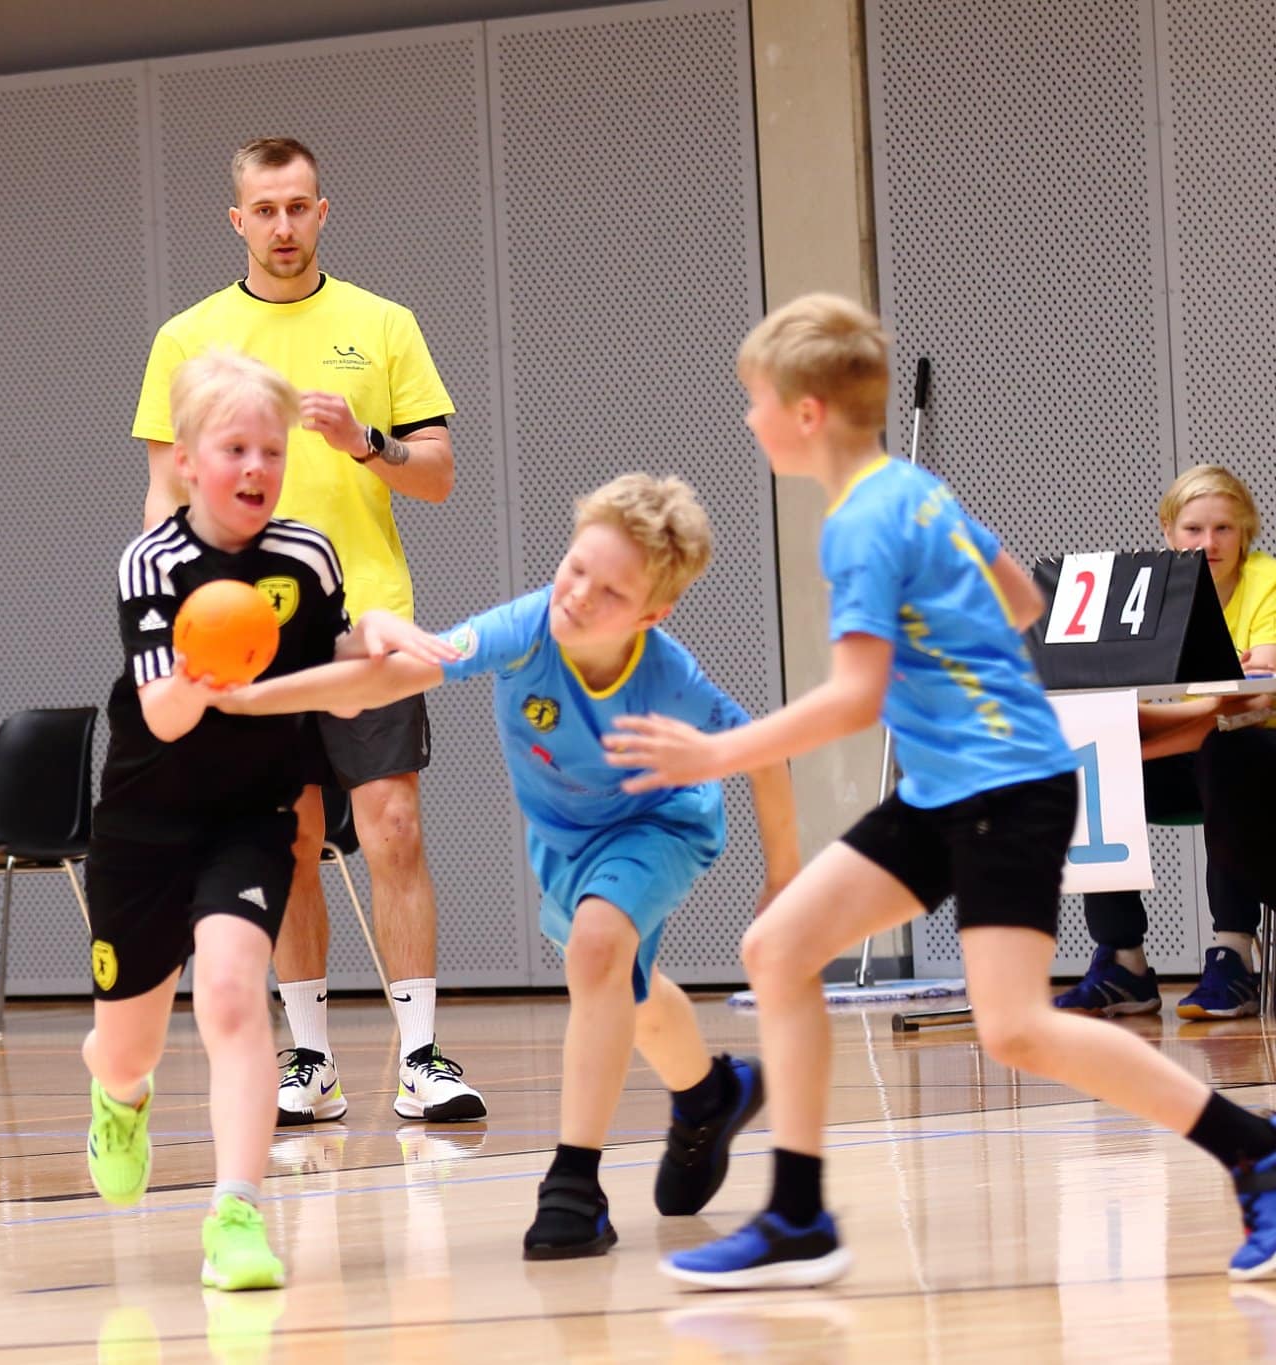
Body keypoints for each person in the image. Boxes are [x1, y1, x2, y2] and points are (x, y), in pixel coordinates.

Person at [607, 292, 1276, 1290]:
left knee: (1014, 1028)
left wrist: (715, 753)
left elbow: (853, 697)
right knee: (778, 948)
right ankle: (797, 1216)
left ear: (805, 412)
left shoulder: (860, 524)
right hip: (953, 782)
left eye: (755, 400)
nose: (747, 418)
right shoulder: (916, 489)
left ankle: (1255, 1153)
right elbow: (1021, 598)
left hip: (1003, 785)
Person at [216, 473, 799, 1259]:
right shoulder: (526, 628)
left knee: (597, 949)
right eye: (576, 567)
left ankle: (574, 1186)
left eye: (610, 592)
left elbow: (764, 748)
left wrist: (782, 876)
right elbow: (391, 676)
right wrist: (250, 700)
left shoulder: (667, 676)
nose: (579, 595)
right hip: (567, 843)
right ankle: (708, 1094)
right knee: (624, 988)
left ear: (652, 614)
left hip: (659, 822)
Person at [132, 137, 483, 1123]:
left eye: (298, 207)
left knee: (394, 827)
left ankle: (421, 1057)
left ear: (321, 211)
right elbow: (163, 495)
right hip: (247, 636)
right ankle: (311, 1064)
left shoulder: (383, 324)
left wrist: (364, 443)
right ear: (237, 219)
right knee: (288, 840)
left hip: (366, 622)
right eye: (265, 209)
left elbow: (438, 476)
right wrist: (172, 617)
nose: (282, 226)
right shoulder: (186, 339)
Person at [82, 349, 450, 1289]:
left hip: (252, 814)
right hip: (144, 825)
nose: (257, 468)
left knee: (234, 993)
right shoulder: (153, 561)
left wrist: (375, 640)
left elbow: (335, 666)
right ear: (187, 463)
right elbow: (164, 713)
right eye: (235, 450)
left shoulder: (306, 554)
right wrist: (213, 670)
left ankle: (237, 1214)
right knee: (126, 1043)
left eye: (272, 451)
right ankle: (120, 1096)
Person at [1054, 465, 1276, 1019]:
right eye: (1194, 529)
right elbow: (1123, 711)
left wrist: (1158, 730)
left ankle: (1233, 956)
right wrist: (1196, 711)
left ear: (1246, 532)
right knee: (1087, 756)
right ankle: (1123, 962)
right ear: (1168, 531)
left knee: (1225, 753)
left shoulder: (1267, 581)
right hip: (1186, 747)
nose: (1209, 543)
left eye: (1224, 528)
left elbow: (1255, 706)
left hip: (1256, 757)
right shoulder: (1146, 593)